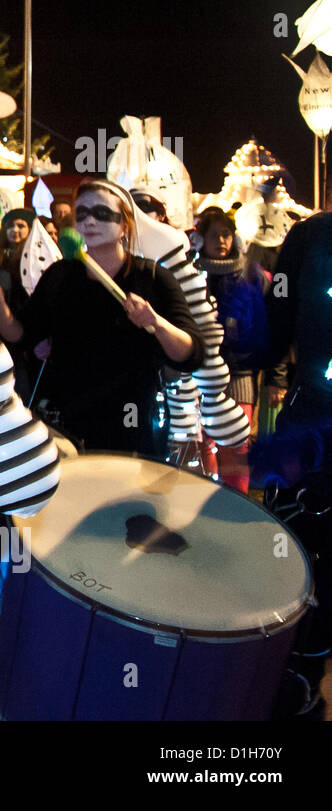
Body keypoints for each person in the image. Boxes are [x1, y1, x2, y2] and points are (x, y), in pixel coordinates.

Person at [0, 179, 204, 459]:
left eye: (102, 214)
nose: (89, 221)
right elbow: (21, 333)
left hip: (133, 424)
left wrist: (156, 322)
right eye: (82, 214)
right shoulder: (60, 275)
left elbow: (192, 353)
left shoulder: (150, 278)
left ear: (125, 225)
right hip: (69, 425)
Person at [252, 208, 332, 718]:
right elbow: (272, 326)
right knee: (287, 549)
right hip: (307, 418)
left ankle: (304, 671)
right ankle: (296, 672)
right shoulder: (308, 237)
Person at [195, 208, 267, 490]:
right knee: (205, 446)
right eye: (214, 235)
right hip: (203, 374)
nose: (221, 241)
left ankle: (239, 505)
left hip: (240, 373)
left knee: (237, 447)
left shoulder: (250, 275)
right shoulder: (192, 275)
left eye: (226, 234)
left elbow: (264, 325)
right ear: (201, 239)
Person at [0, 209, 40, 400]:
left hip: (20, 329)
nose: (15, 230)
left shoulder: (32, 261)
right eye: (10, 225)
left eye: (21, 225)